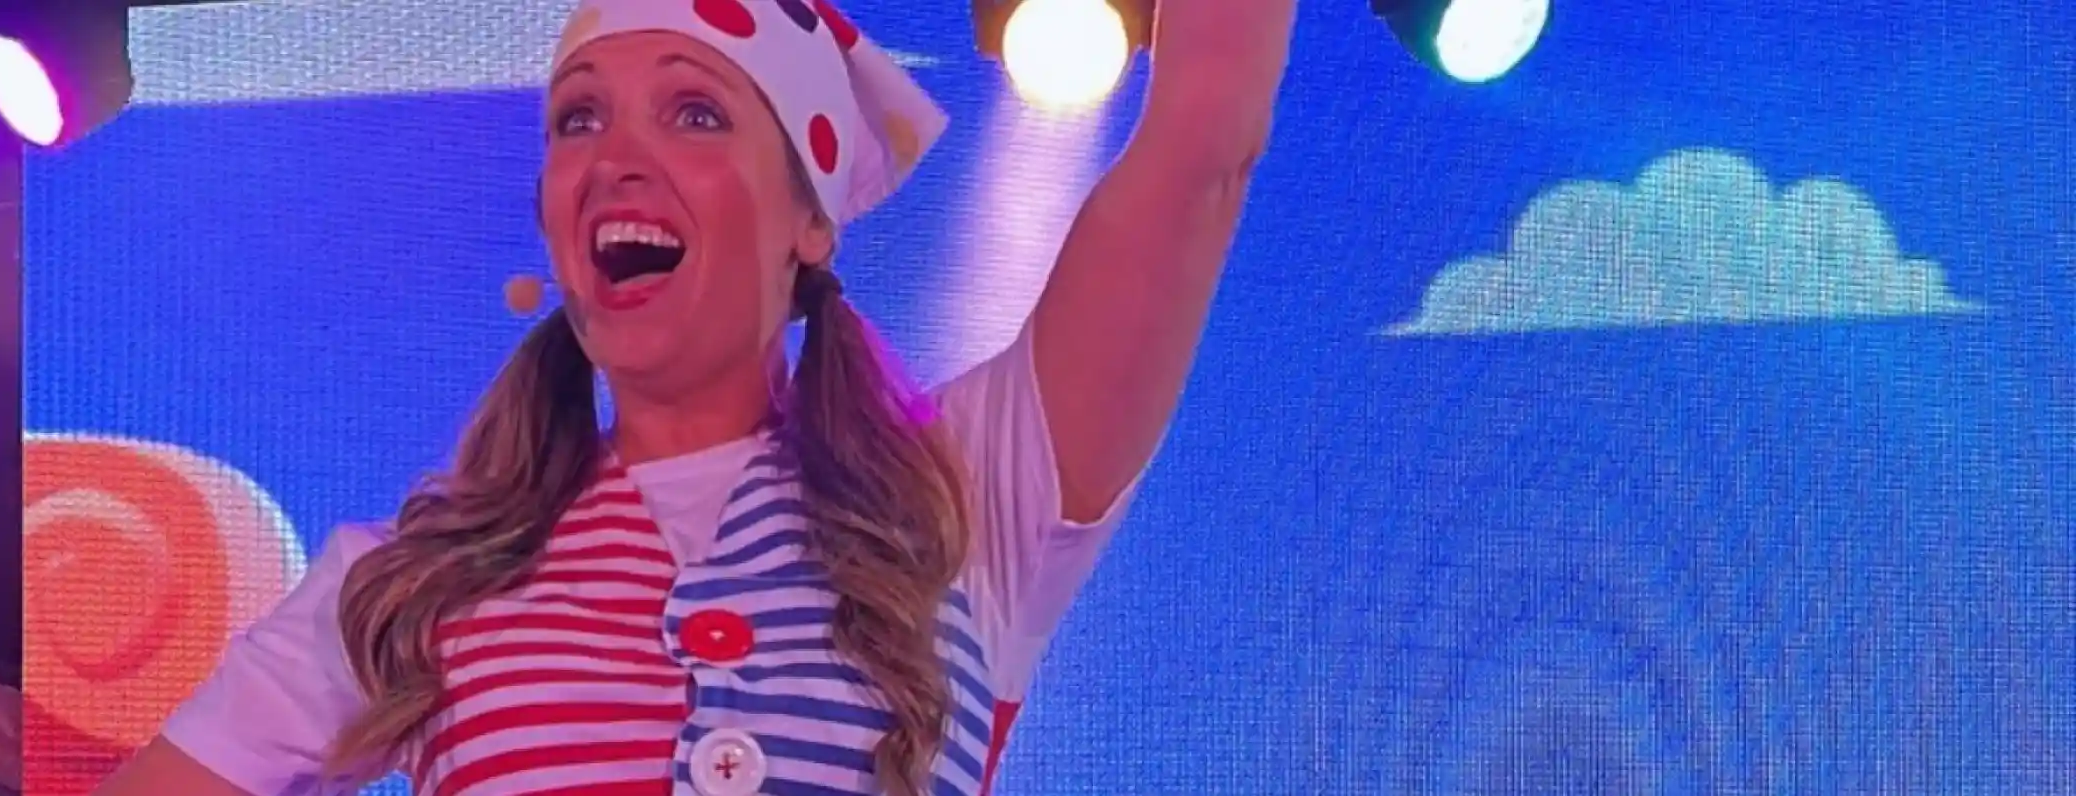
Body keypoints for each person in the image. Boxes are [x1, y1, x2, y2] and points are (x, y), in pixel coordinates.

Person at [98, 0, 1292, 793]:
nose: (615, 154)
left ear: (809, 222)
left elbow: (1203, 140)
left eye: (695, 111)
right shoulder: (403, 583)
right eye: (578, 117)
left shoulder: (971, 489)